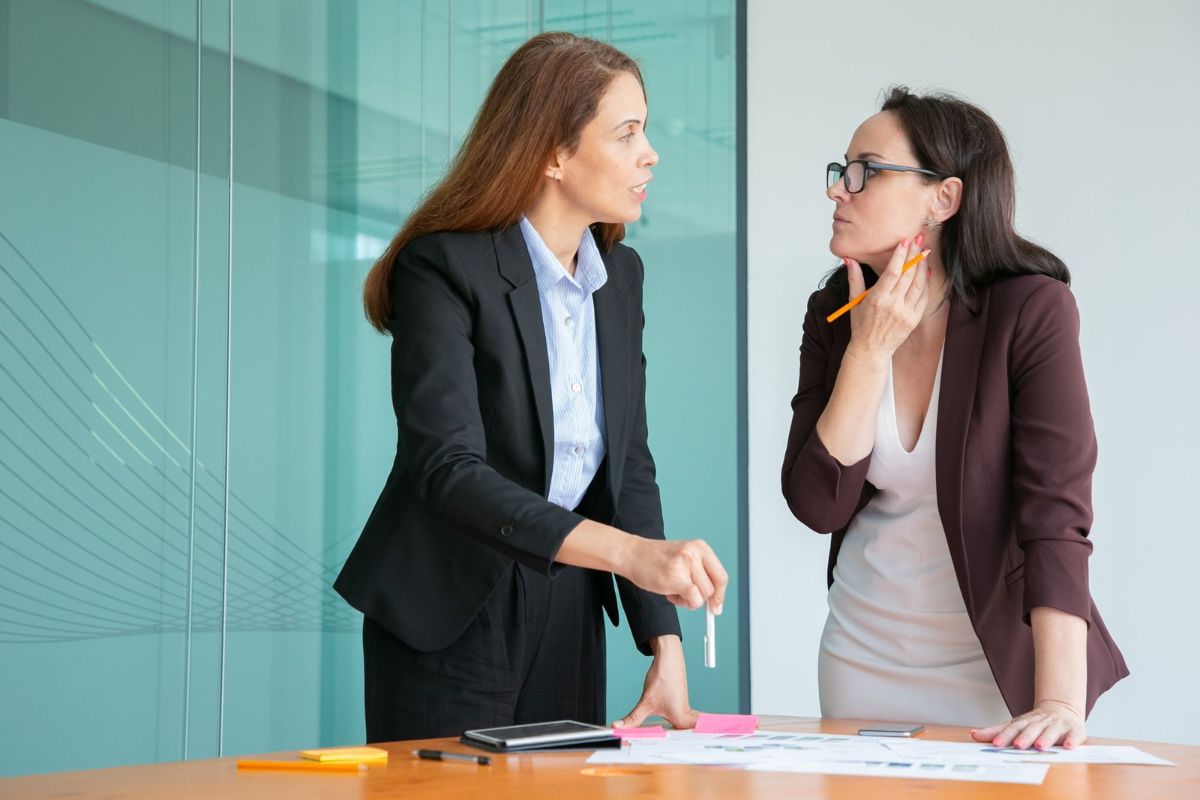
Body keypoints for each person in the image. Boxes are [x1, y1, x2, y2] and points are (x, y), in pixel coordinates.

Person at [334, 32, 728, 743]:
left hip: (567, 600)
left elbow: (627, 466)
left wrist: (663, 644)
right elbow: (447, 471)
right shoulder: (443, 268)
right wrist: (629, 554)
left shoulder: (621, 278)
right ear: (553, 153)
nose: (651, 154)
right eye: (628, 132)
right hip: (450, 605)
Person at [781, 87, 1127, 749]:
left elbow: (1055, 516)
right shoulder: (834, 308)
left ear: (944, 199)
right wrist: (869, 348)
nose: (839, 190)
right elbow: (816, 502)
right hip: (861, 655)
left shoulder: (1030, 310)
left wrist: (1058, 699)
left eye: (866, 171)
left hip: (991, 668)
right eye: (841, 169)